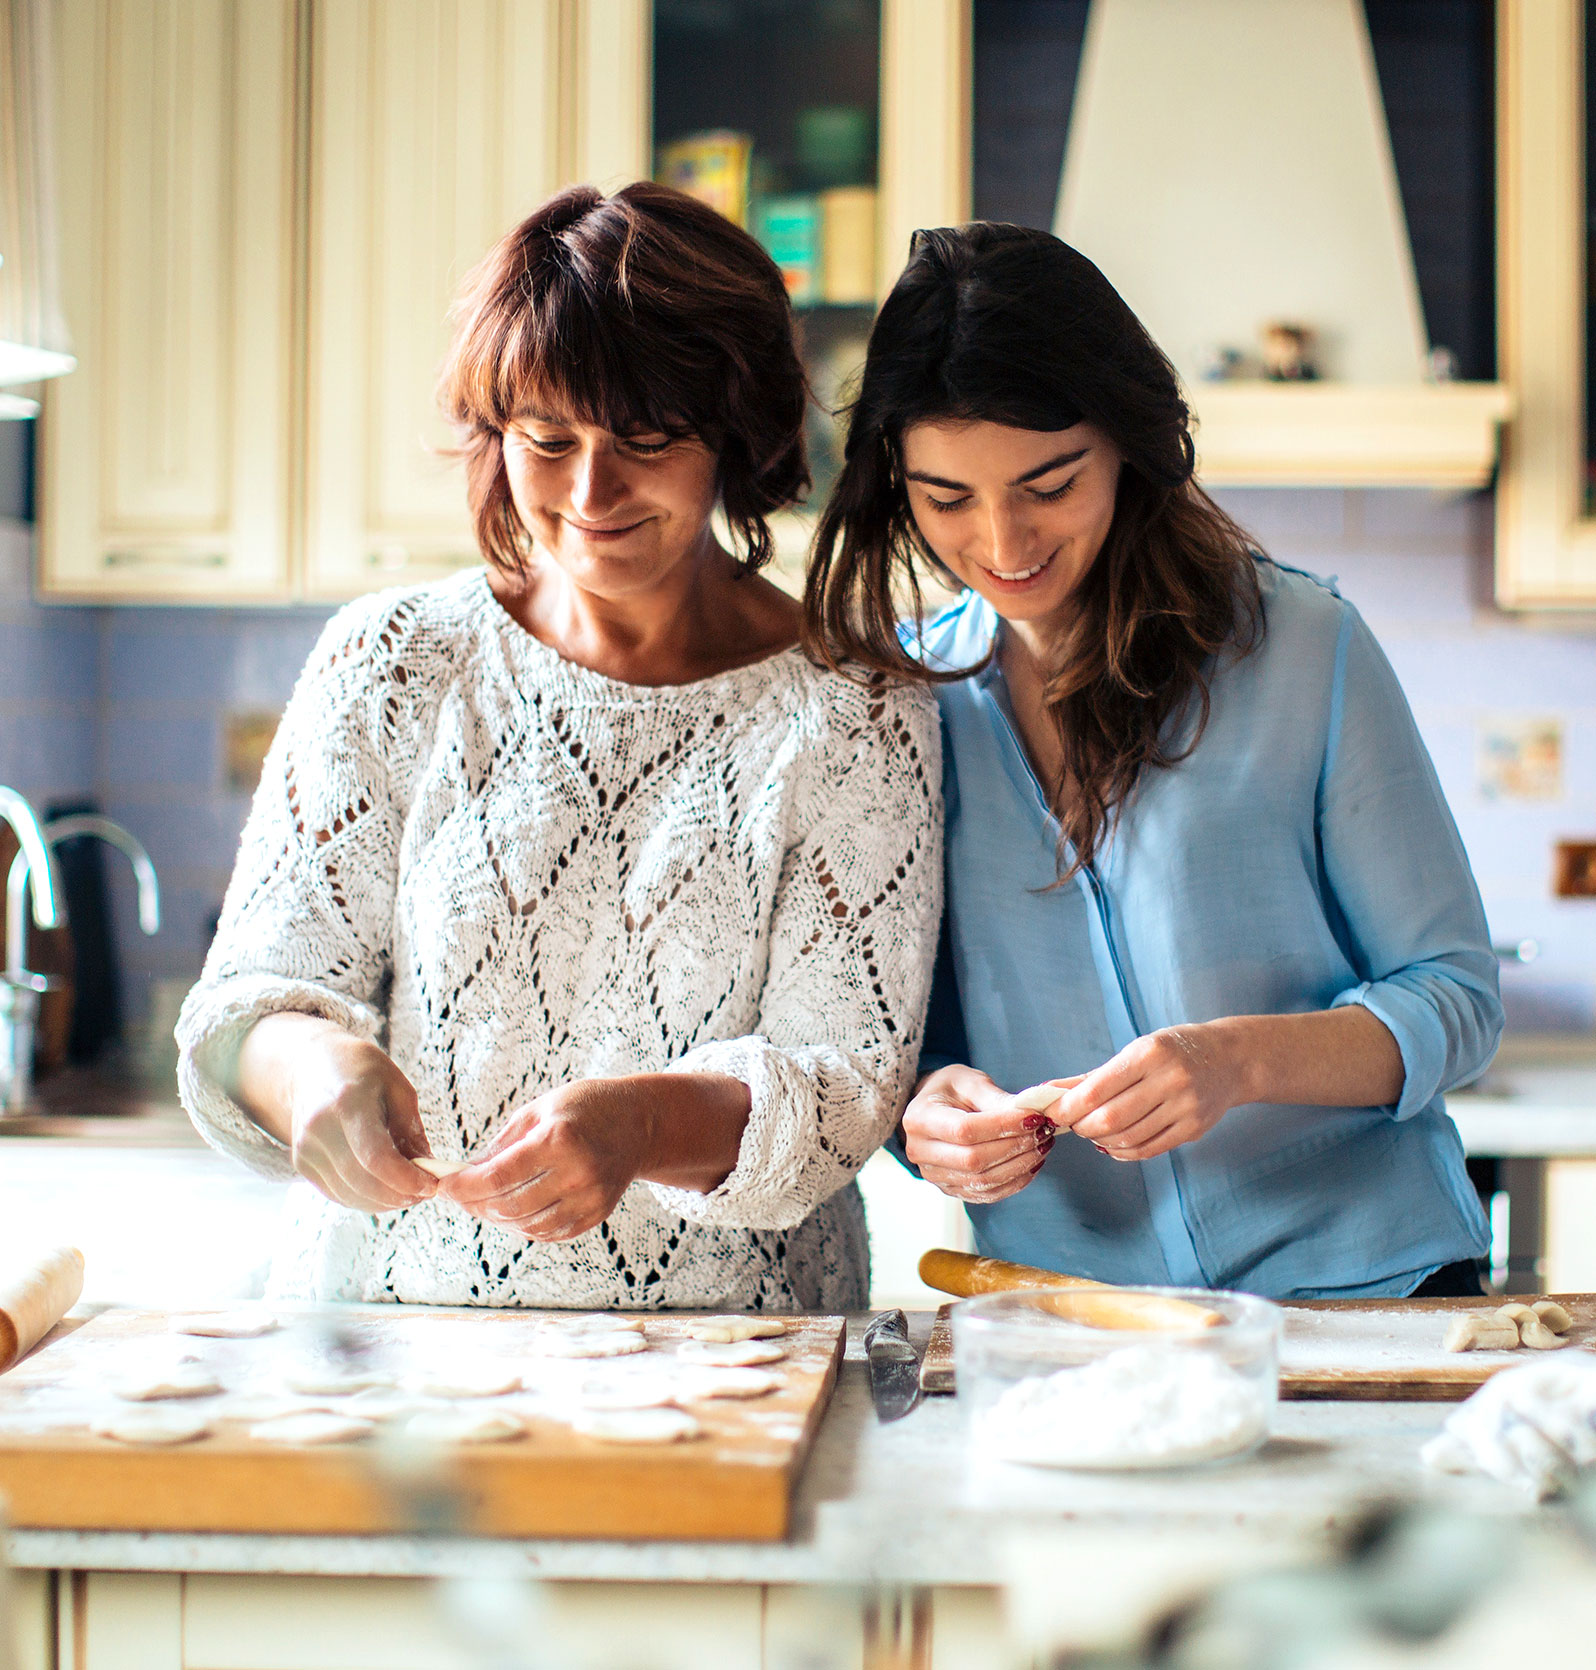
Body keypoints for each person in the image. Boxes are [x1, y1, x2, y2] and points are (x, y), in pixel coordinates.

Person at [176, 183, 941, 1311]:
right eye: (548, 439)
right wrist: (312, 1071)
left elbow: (842, 1086)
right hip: (391, 1345)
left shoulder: (857, 706)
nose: (591, 491)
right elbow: (250, 998)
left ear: (733, 435)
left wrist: (638, 1126)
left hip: (732, 1359)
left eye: (647, 439)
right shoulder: (393, 660)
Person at [804, 222, 1501, 1300]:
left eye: (1050, 480)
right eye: (947, 498)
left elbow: (1455, 997)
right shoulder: (908, 710)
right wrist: (929, 1115)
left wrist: (1239, 1059)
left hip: (1374, 1297)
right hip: (1074, 1317)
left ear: (1127, 440)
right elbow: (912, 1044)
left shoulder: (1304, 648)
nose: (1002, 538)